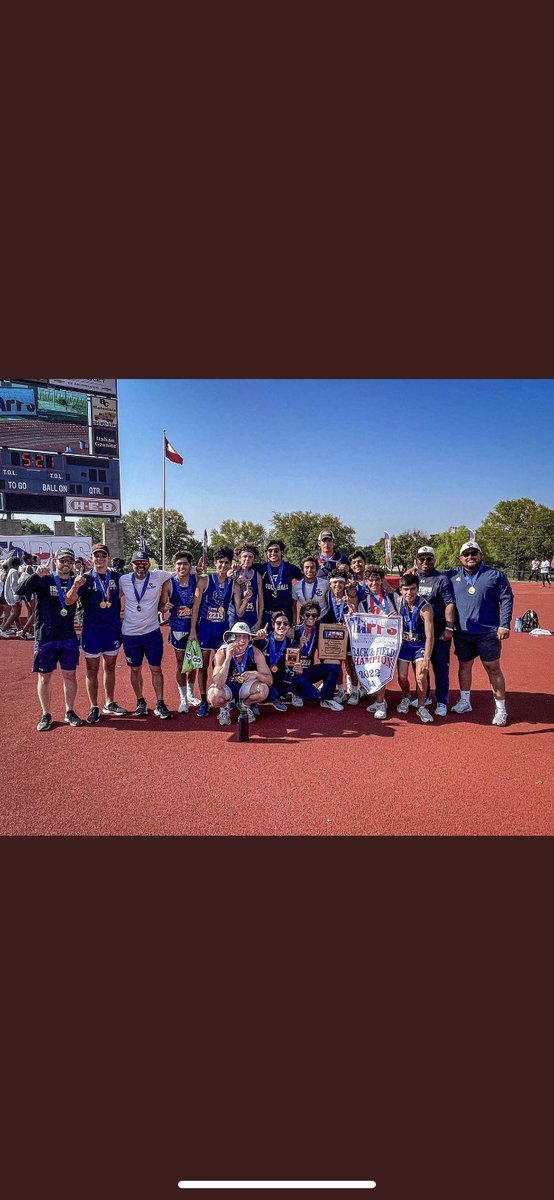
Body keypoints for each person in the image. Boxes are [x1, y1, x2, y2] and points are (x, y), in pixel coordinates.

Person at [13, 546, 85, 731]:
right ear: (56, 562)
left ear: (73, 564)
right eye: (63, 561)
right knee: (44, 678)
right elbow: (20, 590)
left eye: (69, 561)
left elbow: (73, 602)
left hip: (68, 637)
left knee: (70, 676)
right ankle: (46, 714)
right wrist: (36, 575)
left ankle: (70, 711)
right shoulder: (44, 579)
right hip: (45, 637)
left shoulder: (76, 582)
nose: (66, 564)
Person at [447, 541, 513, 726]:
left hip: (488, 632)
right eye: (466, 554)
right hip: (463, 632)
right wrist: (413, 573)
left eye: (474, 553)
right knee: (464, 667)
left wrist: (504, 624)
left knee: (493, 669)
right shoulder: (452, 575)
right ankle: (465, 701)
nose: (470, 557)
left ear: (480, 555)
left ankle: (501, 710)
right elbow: (432, 579)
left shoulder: (495, 575)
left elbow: (507, 599)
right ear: (460, 558)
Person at [119, 550, 174, 718]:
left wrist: (198, 569)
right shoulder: (123, 580)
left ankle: (160, 702)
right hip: (130, 633)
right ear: (131, 565)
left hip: (152, 632)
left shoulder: (158, 576)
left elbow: (181, 571)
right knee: (135, 670)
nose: (140, 566)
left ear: (149, 564)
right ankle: (140, 701)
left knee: (156, 668)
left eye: (144, 563)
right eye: (137, 563)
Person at [78, 543, 128, 724]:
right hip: (91, 631)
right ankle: (94, 706)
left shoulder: (117, 577)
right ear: (91, 558)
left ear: (108, 557)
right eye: (96, 555)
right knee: (92, 669)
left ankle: (109, 702)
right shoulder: (84, 579)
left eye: (102, 555)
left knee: (110, 667)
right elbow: (71, 599)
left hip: (111, 630)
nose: (99, 559)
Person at [189, 547, 235, 717]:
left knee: (222, 664)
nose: (223, 565)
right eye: (220, 562)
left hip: (222, 631)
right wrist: (193, 631)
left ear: (231, 564)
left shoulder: (233, 583)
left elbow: (240, 608)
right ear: (215, 564)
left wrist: (246, 595)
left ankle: (221, 695)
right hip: (205, 629)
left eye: (227, 562)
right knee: (203, 665)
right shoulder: (204, 581)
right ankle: (203, 700)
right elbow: (195, 607)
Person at [411, 545, 456, 717]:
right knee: (422, 666)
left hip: (437, 632)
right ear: (416, 560)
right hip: (419, 634)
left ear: (434, 560)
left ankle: (442, 700)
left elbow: (449, 603)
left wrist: (448, 627)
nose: (425, 562)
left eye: (428, 559)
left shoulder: (441, 579)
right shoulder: (412, 577)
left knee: (440, 667)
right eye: (421, 559)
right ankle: (426, 696)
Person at [208, 621, 272, 727]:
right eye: (237, 636)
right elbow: (218, 683)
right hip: (226, 686)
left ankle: (245, 705)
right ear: (231, 637)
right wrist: (228, 660)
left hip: (245, 687)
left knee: (263, 690)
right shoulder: (222, 653)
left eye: (245, 637)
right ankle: (224, 707)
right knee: (213, 696)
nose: (242, 640)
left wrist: (256, 674)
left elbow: (269, 680)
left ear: (249, 639)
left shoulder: (255, 653)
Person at [361, 565, 400, 720]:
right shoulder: (364, 602)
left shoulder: (393, 597)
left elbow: (404, 615)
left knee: (380, 667)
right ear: (366, 582)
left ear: (382, 580)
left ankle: (380, 702)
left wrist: (397, 614)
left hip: (391, 642)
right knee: (375, 671)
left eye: (377, 580)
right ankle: (380, 700)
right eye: (370, 581)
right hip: (372, 642)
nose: (374, 584)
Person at [395, 573, 435, 723]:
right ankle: (406, 697)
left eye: (412, 589)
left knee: (421, 676)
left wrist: (427, 659)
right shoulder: (398, 602)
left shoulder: (425, 607)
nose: (409, 593)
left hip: (419, 646)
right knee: (402, 677)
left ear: (417, 589)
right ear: (401, 589)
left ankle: (422, 706)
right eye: (405, 589)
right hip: (405, 645)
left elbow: (430, 635)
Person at [292, 602, 343, 710]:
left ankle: (327, 699)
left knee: (334, 667)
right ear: (302, 616)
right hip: (295, 673)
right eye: (307, 615)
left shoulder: (319, 631)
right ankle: (295, 692)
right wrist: (299, 647)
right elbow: (287, 658)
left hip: (309, 671)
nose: (311, 617)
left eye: (314, 615)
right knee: (314, 696)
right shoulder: (294, 631)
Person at [167, 550, 199, 712]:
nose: (182, 566)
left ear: (190, 566)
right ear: (174, 566)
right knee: (180, 664)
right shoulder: (169, 583)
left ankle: (191, 694)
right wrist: (163, 607)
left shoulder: (197, 579)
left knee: (193, 662)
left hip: (194, 628)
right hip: (178, 629)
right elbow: (161, 604)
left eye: (185, 563)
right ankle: (182, 699)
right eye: (179, 563)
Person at [327, 570, 360, 703]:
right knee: (337, 663)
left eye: (341, 582)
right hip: (334, 634)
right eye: (335, 582)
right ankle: (340, 690)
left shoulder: (350, 595)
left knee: (350, 663)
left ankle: (354, 690)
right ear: (330, 584)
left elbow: (355, 611)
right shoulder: (327, 595)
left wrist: (351, 607)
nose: (338, 585)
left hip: (350, 634)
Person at [255, 540, 302, 628]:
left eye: (276, 550)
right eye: (270, 551)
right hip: (267, 614)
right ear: (266, 553)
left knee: (285, 640)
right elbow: (245, 568)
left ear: (282, 552)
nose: (273, 553)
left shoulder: (290, 568)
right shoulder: (261, 568)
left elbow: (305, 578)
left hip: (286, 614)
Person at [230, 544, 264, 633]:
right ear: (239, 558)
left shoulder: (257, 576)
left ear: (254, 559)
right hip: (234, 618)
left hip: (251, 618)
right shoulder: (232, 572)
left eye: (250, 557)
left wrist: (259, 621)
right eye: (244, 556)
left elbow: (261, 601)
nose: (247, 559)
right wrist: (233, 573)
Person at [292, 556, 330, 624]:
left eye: (312, 567)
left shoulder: (326, 584)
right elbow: (294, 606)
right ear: (302, 569)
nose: (309, 570)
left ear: (317, 569)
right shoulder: (296, 587)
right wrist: (295, 622)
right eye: (307, 567)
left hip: (323, 619)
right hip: (305, 620)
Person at [0, 556, 23, 637]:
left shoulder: (11, 571)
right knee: (16, 613)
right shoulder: (14, 572)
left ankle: (20, 631)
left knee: (16, 613)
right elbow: (14, 586)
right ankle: (3, 629)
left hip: (9, 595)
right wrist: (17, 596)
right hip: (12, 596)